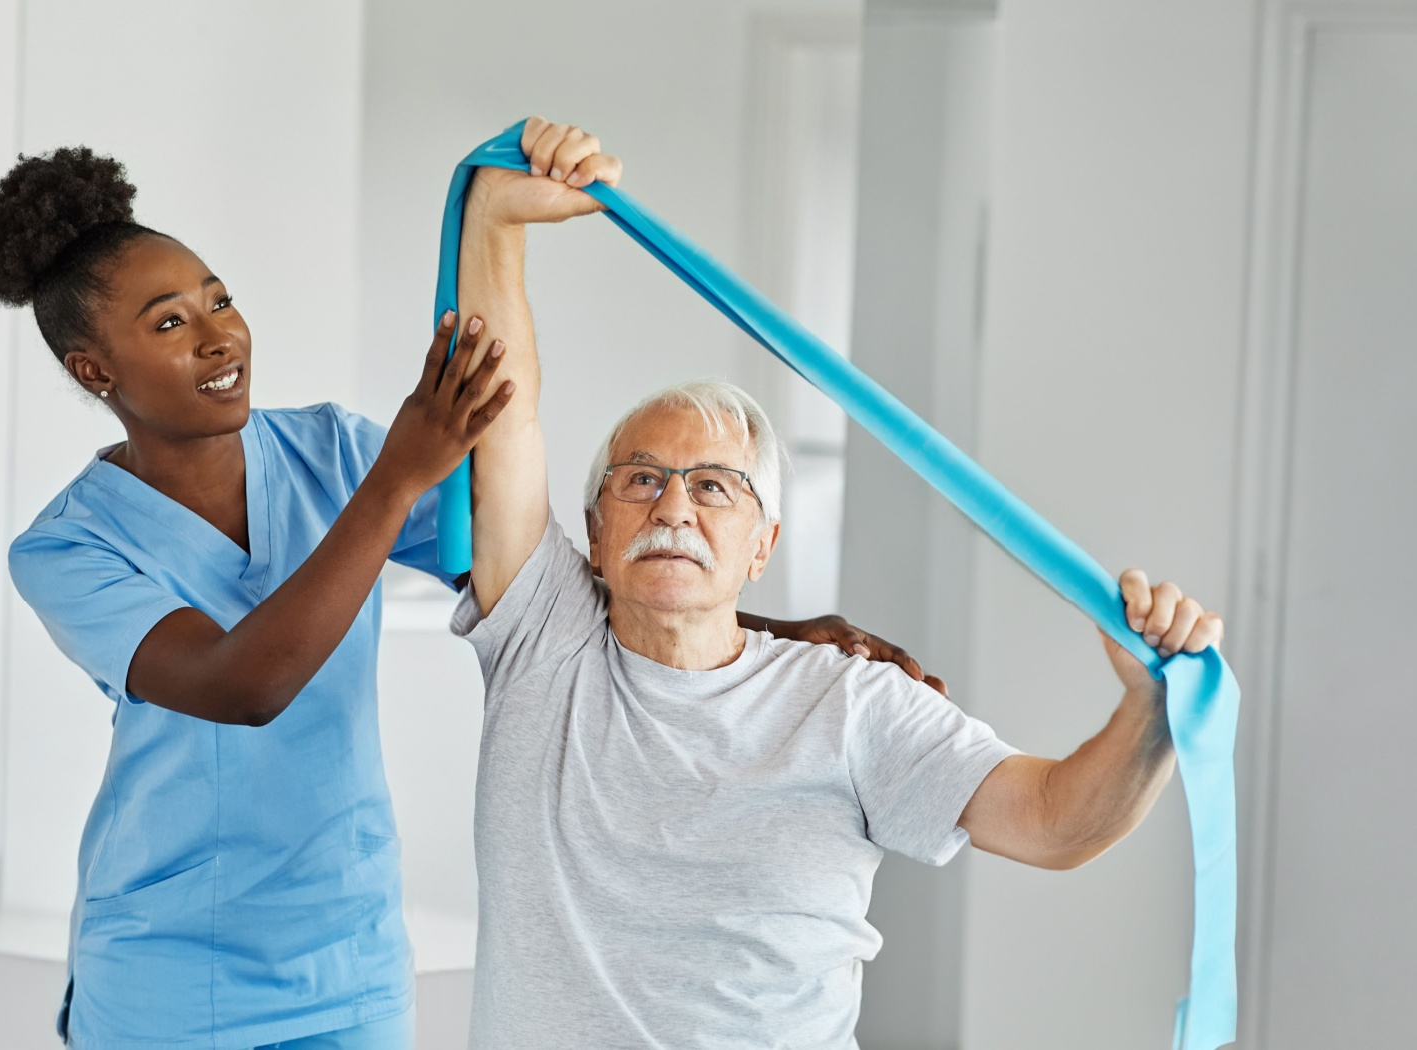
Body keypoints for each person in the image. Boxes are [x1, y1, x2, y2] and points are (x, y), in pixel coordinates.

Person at [0, 135, 917, 1050]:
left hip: (348, 957)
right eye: (170, 322)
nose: (221, 337)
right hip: (169, 975)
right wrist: (396, 476)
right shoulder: (67, 546)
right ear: (94, 369)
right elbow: (241, 685)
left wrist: (761, 627)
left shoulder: (327, 449)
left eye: (221, 301)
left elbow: (537, 589)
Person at [447, 120, 1226, 1049]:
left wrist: (1149, 708)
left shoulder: (852, 704)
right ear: (594, 528)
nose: (674, 508)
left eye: (715, 486)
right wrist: (496, 218)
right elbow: (502, 414)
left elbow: (1055, 823)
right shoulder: (545, 639)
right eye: (641, 478)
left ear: (762, 544)